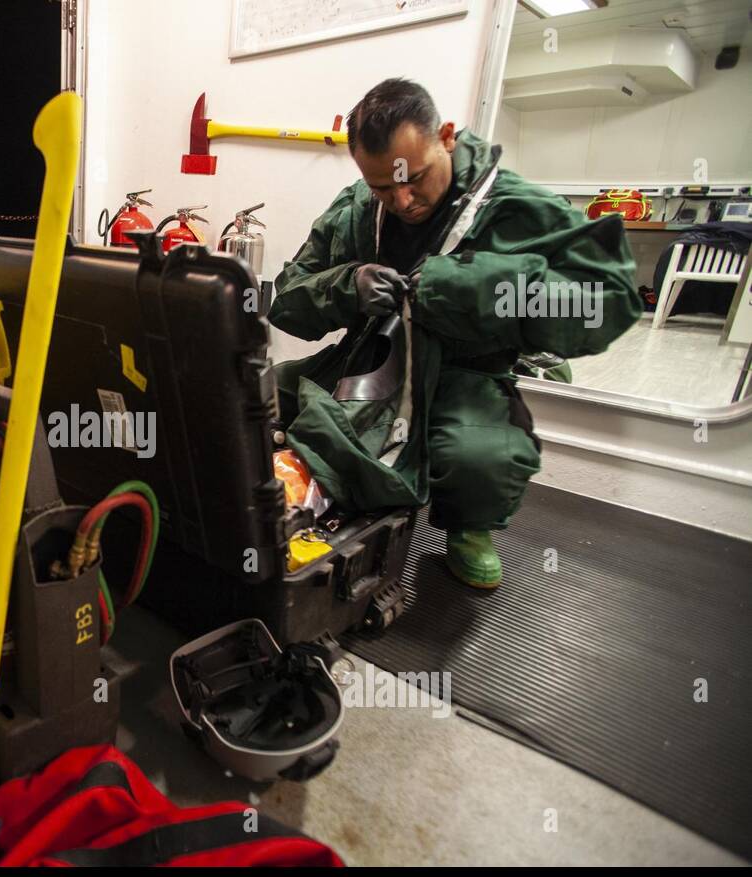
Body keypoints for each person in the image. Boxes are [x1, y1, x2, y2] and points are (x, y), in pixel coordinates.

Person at [268, 78, 640, 588]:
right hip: (366, 359)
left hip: (467, 373)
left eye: (415, 178)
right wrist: (344, 286)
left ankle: (470, 529)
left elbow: (608, 303)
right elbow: (286, 300)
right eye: (382, 186)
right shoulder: (356, 207)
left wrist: (474, 287)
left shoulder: (517, 208)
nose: (402, 200)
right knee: (259, 395)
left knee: (479, 458)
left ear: (445, 135)